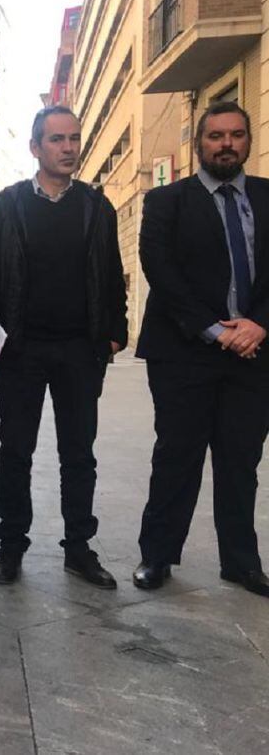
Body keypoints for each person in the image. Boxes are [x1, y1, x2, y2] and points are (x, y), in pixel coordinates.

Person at [0, 105, 127, 589]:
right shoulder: (8, 205)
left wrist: (115, 329)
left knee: (79, 454)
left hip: (80, 351)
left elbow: (112, 276)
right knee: (14, 452)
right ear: (36, 147)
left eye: (74, 138)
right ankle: (10, 548)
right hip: (21, 351)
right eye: (57, 139)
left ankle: (79, 550)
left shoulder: (97, 208)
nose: (68, 148)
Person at [133, 101, 269, 597]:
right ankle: (157, 557)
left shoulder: (266, 196)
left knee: (240, 461)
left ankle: (241, 562)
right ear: (200, 145)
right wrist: (217, 331)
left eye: (235, 135)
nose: (226, 144)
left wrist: (258, 325)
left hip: (254, 355)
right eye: (216, 136)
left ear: (247, 141)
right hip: (184, 352)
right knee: (177, 456)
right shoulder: (166, 201)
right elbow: (161, 273)